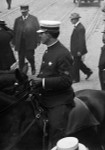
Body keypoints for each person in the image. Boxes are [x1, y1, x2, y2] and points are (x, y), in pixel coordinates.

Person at [32, 20, 74, 148]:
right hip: (45, 95)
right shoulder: (48, 51)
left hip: (59, 99)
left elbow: (66, 81)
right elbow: (46, 72)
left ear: (48, 34)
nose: (40, 36)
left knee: (56, 130)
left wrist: (42, 81)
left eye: (42, 34)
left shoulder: (63, 53)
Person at [13, 5, 40, 74]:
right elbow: (15, 31)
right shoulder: (17, 20)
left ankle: (33, 67)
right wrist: (14, 42)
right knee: (21, 58)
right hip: (20, 42)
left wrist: (38, 40)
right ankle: (21, 71)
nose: (23, 13)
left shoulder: (33, 19)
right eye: (22, 12)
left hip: (30, 42)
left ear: (28, 11)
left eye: (25, 12)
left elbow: (38, 29)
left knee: (30, 57)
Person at [69, 12, 92, 82]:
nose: (71, 21)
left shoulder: (80, 28)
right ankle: (88, 71)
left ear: (76, 19)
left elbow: (81, 41)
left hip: (78, 50)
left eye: (72, 19)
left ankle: (76, 78)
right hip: (75, 49)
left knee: (75, 64)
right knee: (78, 62)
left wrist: (79, 50)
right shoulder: (77, 27)